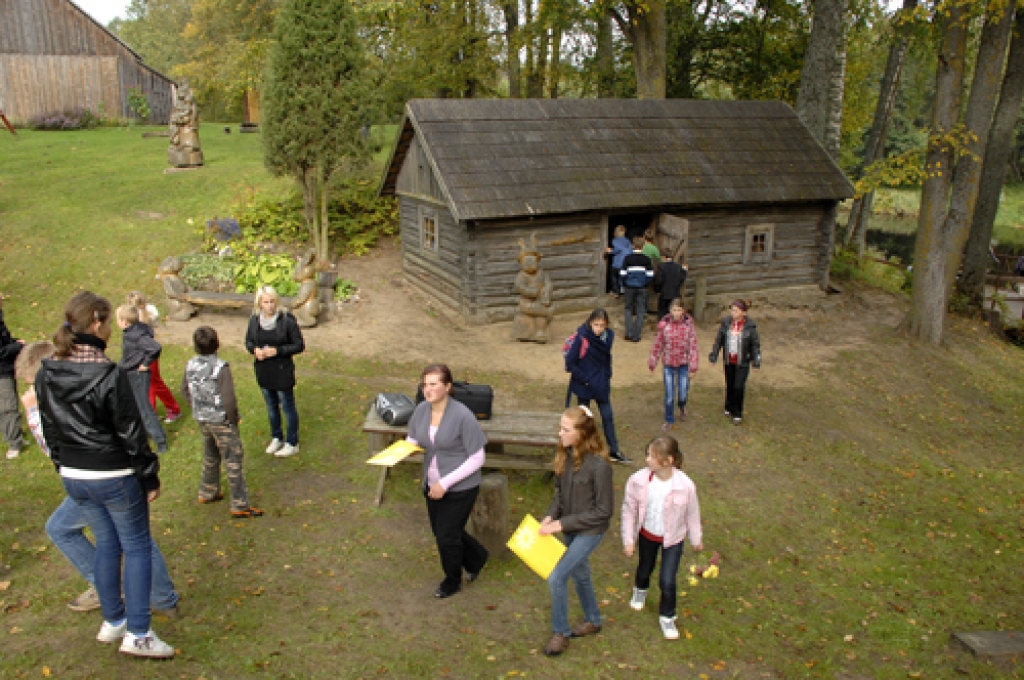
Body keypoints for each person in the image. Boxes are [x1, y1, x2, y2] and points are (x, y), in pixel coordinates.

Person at [36, 291, 175, 658]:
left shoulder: (47, 369)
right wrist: (149, 477)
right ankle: (139, 633)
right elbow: (131, 433)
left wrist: (62, 465)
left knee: (108, 544)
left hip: (76, 474)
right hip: (113, 476)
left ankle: (114, 620)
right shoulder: (109, 374)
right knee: (136, 546)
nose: (112, 330)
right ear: (96, 323)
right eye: (109, 322)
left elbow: (50, 427)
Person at [16, 341, 180, 616]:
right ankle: (137, 592)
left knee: (130, 537)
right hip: (96, 475)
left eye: (31, 382)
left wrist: (33, 411)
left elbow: (54, 445)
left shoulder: (61, 393)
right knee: (123, 535)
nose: (31, 389)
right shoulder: (78, 384)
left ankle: (131, 592)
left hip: (101, 477)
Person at [406, 364, 489, 598]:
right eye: (424, 385)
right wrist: (402, 451)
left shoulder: (463, 415)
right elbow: (412, 439)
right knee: (445, 531)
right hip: (431, 484)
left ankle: (452, 581)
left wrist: (445, 484)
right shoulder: (421, 410)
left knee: (446, 537)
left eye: (433, 384)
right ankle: (478, 557)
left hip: (461, 486)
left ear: (448, 386)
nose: (427, 389)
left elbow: (477, 457)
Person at [539, 405, 614, 657]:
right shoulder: (565, 456)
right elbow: (560, 496)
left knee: (557, 577)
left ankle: (560, 632)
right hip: (569, 527)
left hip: (590, 531)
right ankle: (593, 619)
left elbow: (603, 511)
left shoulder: (599, 466)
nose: (559, 433)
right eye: (560, 428)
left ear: (582, 433)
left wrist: (560, 525)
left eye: (565, 429)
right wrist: (550, 516)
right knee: (580, 574)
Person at [621, 435, 702, 641]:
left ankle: (667, 617)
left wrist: (696, 538)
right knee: (645, 567)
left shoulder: (686, 486)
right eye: (647, 454)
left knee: (667, 580)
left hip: (673, 540)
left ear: (668, 461)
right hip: (647, 535)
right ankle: (640, 590)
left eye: (652, 456)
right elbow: (628, 511)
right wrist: (629, 540)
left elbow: (692, 514)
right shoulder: (638, 480)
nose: (647, 459)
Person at [182, 326, 263, 519]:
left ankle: (207, 491)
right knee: (233, 460)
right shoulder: (220, 367)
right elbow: (228, 398)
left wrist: (197, 407)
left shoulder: (191, 364)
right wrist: (233, 419)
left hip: (202, 419)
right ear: (217, 343)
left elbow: (184, 390)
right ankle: (240, 504)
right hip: (221, 420)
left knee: (211, 454)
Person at [245, 286, 305, 458]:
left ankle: (292, 442)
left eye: (272, 301)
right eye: (266, 302)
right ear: (259, 303)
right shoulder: (254, 320)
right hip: (264, 370)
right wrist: (254, 350)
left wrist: (277, 351)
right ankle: (276, 436)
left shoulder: (286, 320)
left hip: (282, 370)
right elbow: (248, 341)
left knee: (287, 406)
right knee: (271, 406)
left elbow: (299, 345)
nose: (270, 306)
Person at [565, 309, 630, 464]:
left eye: (602, 325)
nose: (599, 328)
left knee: (607, 417)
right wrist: (585, 379)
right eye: (596, 324)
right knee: (583, 420)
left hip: (601, 384)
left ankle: (614, 450)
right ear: (590, 323)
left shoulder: (608, 338)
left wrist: (607, 374)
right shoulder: (582, 338)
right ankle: (580, 450)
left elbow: (606, 358)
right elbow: (570, 363)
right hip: (585, 385)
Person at [116, 305, 168, 454]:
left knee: (144, 409)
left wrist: (145, 364)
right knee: (135, 407)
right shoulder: (134, 331)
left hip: (137, 375)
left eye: (118, 320)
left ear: (125, 322)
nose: (117, 323)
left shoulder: (136, 335)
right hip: (129, 373)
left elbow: (155, 348)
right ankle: (141, 435)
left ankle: (161, 442)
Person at [127, 291, 181, 424]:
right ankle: (169, 409)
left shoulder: (135, 317)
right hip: (149, 353)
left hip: (145, 354)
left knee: (151, 385)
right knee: (153, 384)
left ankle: (157, 414)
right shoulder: (151, 311)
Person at [648, 299, 699, 429]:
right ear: (670, 311)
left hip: (683, 364)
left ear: (683, 311)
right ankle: (669, 419)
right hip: (669, 364)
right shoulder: (664, 326)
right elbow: (658, 345)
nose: (676, 312)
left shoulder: (689, 326)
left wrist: (693, 366)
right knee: (669, 394)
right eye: (674, 310)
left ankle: (682, 406)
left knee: (682, 392)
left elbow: (693, 346)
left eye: (679, 310)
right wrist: (653, 361)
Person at [708, 299, 761, 425]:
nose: (733, 312)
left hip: (743, 361)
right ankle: (728, 407)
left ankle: (738, 412)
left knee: (739, 386)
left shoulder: (750, 327)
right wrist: (714, 355)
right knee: (730, 384)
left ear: (744, 313)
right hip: (729, 360)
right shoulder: (726, 323)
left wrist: (756, 361)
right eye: (732, 310)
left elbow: (755, 346)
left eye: (736, 310)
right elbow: (719, 341)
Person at [0, 292, 26, 459]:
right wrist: (17, 347)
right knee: (8, 407)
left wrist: (15, 342)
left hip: (5, 368)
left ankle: (13, 435)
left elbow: (4, 342)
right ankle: (14, 444)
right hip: (1, 371)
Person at [620, 236, 654, 342]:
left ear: (632, 246)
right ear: (643, 246)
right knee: (640, 310)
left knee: (628, 309)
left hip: (629, 287)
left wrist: (625, 282)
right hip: (642, 287)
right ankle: (636, 335)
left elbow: (622, 273)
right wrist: (644, 283)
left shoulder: (627, 258)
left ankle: (628, 333)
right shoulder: (646, 260)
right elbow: (650, 275)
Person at [653, 254, 688, 320]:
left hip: (664, 293)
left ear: (664, 257)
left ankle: (663, 326)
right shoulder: (678, 267)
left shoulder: (661, 267)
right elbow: (681, 279)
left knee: (662, 311)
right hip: (675, 293)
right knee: (673, 311)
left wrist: (657, 290)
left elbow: (659, 281)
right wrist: (685, 271)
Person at [606, 225, 632, 296]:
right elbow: (630, 251)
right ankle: (622, 288)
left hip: (616, 264)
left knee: (614, 277)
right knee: (622, 277)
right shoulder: (627, 241)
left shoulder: (614, 240)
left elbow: (616, 250)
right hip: (624, 263)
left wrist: (610, 251)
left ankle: (616, 291)